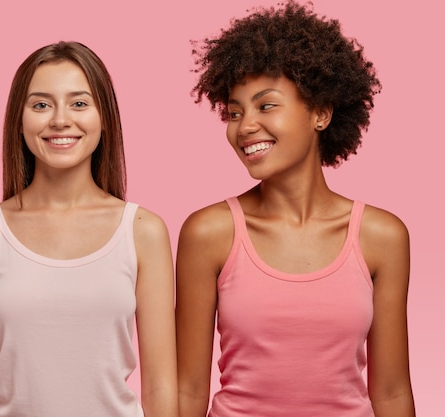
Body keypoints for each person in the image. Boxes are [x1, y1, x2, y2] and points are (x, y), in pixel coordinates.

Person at [175, 3, 415, 417]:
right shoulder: (209, 232)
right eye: (234, 112)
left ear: (320, 114)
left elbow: (392, 393)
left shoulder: (382, 237)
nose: (245, 125)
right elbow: (187, 391)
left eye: (266, 106)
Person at [0, 41, 178, 417]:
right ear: (19, 120)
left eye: (79, 103)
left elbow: (161, 387)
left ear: (105, 117)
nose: (59, 120)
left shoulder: (143, 230)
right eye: (40, 104)